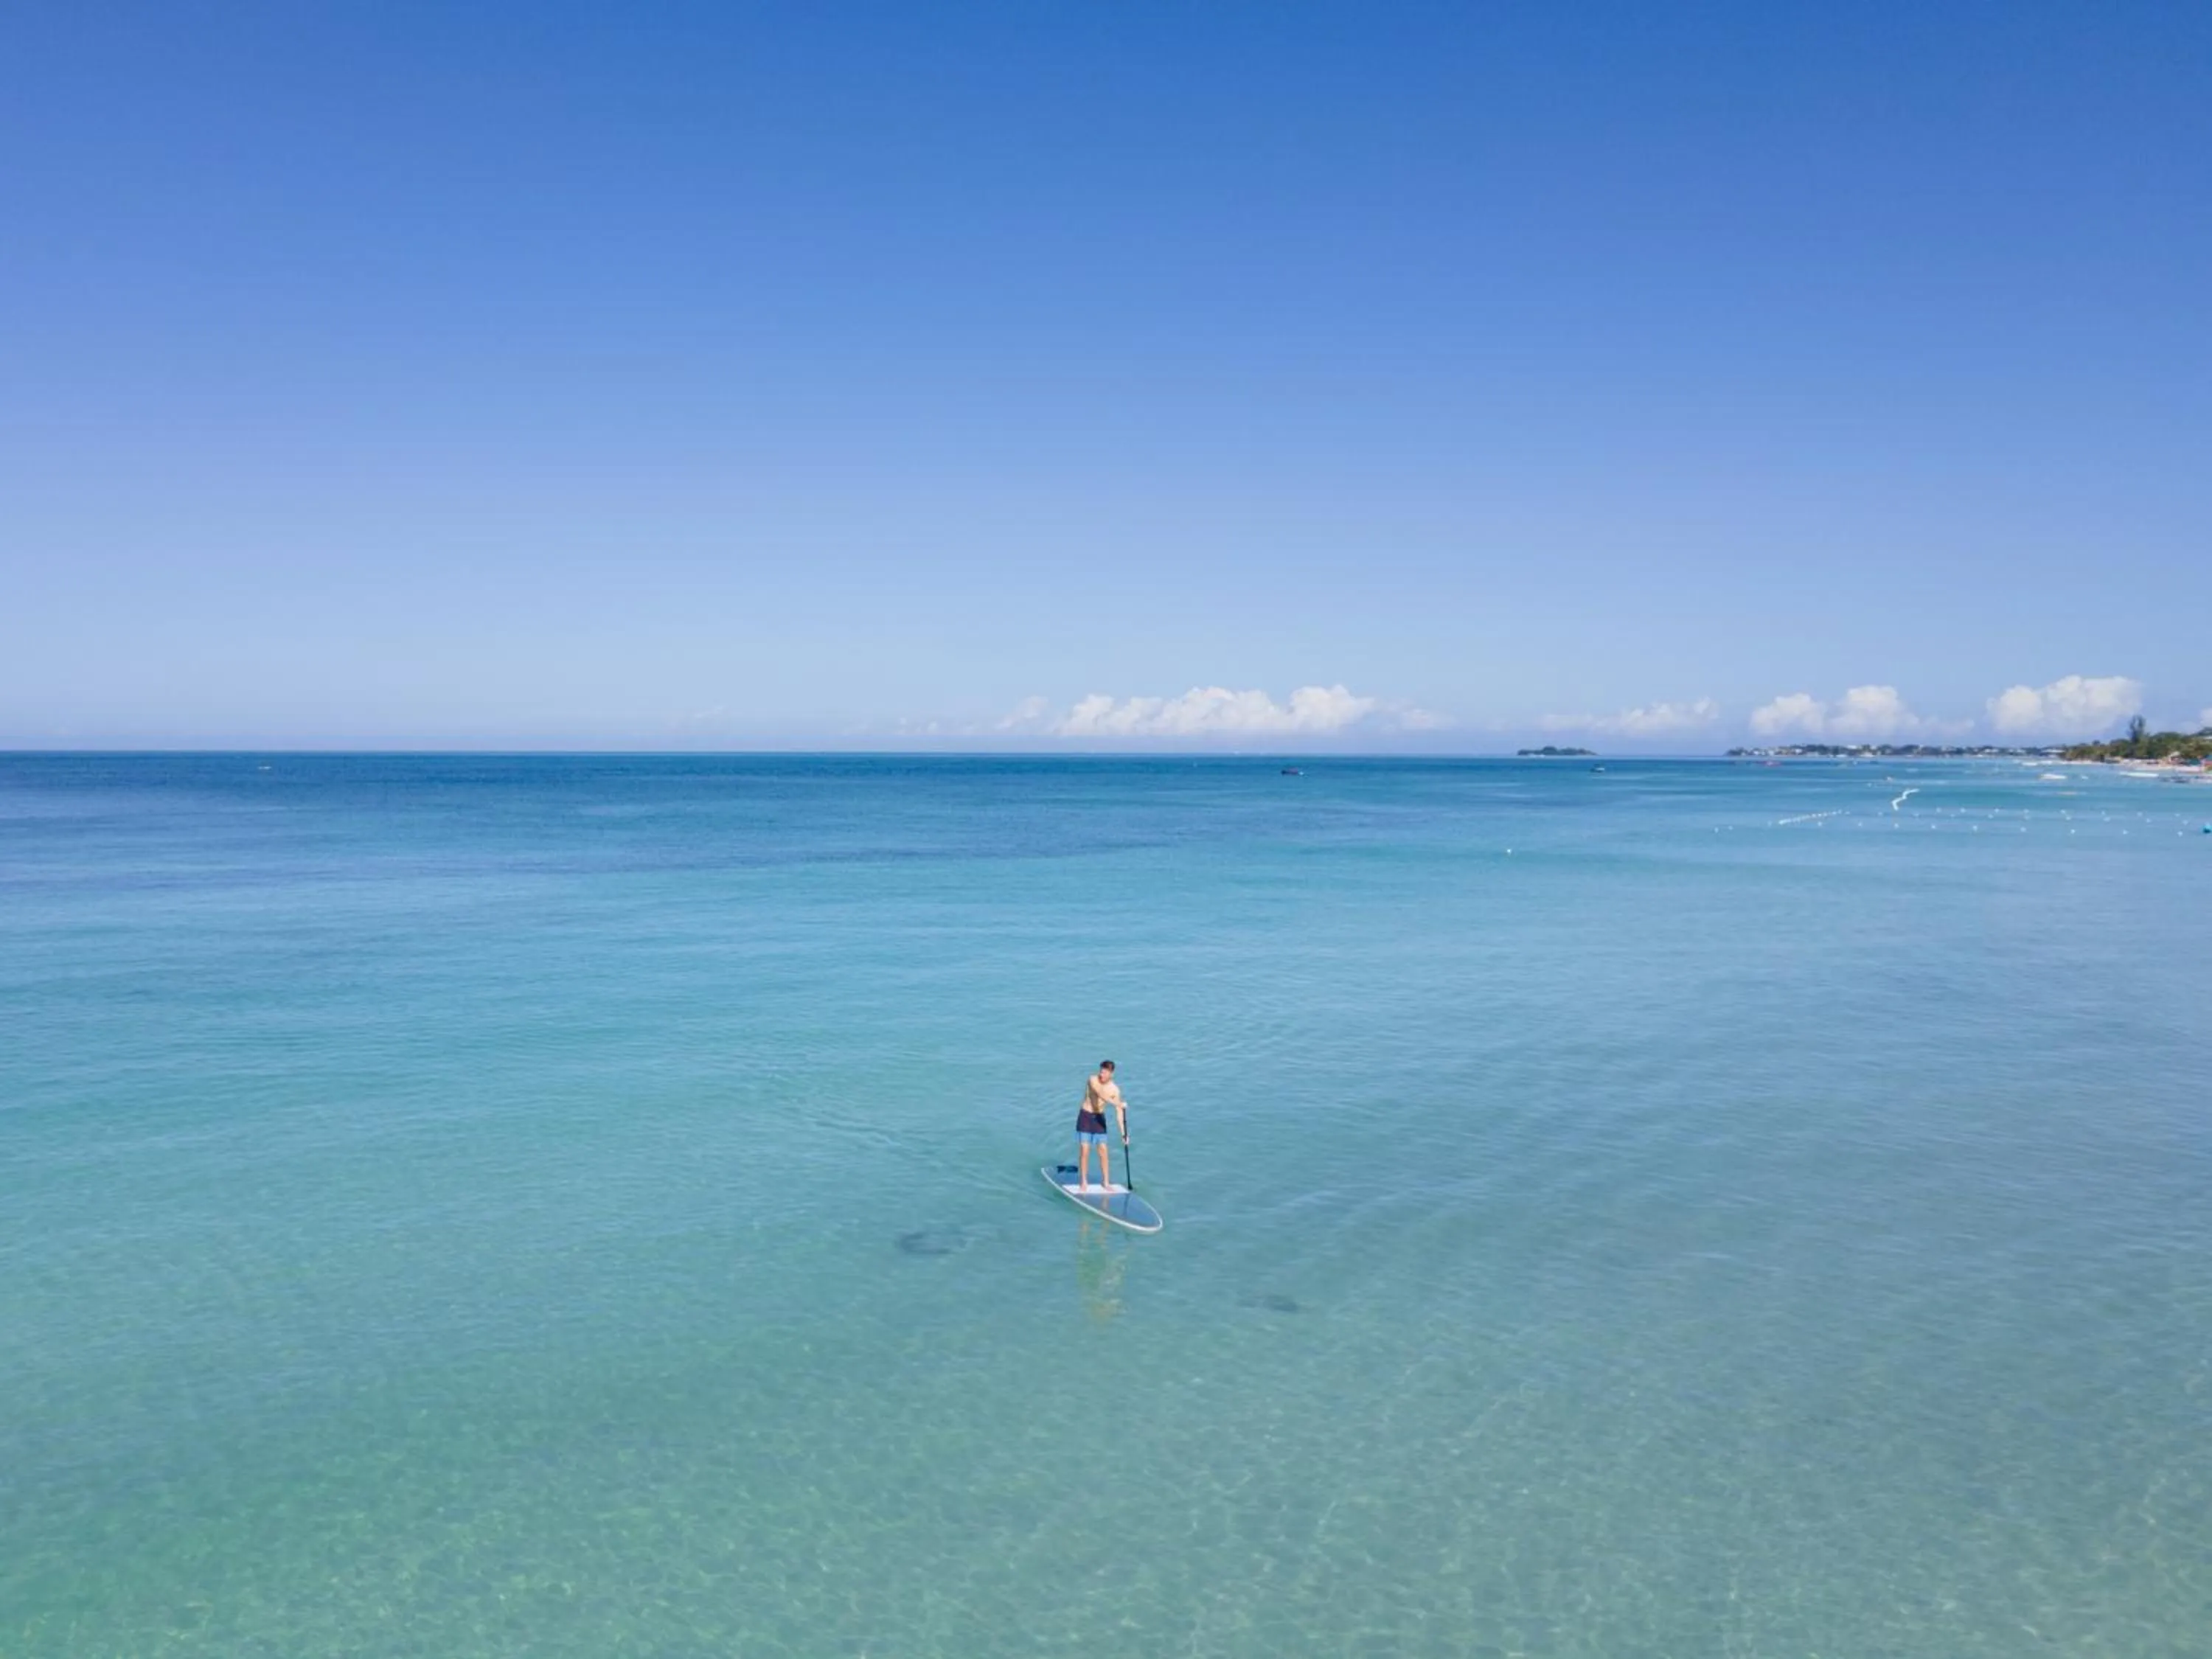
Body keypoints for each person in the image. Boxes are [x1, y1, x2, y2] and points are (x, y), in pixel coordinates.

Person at [1076, 1060, 1126, 1192]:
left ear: (1111, 1074)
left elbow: (1119, 1113)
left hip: (1099, 1118)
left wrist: (1123, 1134)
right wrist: (1118, 1104)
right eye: (1101, 1071)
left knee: (1103, 1150)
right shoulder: (1093, 1080)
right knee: (1085, 1149)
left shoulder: (1115, 1090)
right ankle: (1084, 1181)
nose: (1101, 1074)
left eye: (1104, 1072)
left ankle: (1106, 1182)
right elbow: (1100, 1094)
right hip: (1086, 1116)